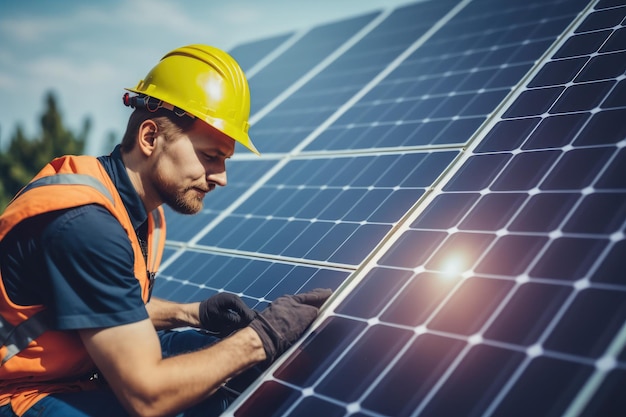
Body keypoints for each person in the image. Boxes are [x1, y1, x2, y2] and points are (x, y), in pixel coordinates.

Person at [0, 44, 332, 417]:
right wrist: (263, 338)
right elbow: (148, 398)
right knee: (209, 388)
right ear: (149, 138)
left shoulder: (143, 213)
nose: (221, 177)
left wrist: (193, 314)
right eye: (210, 156)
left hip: (75, 372)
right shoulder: (86, 224)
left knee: (220, 364)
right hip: (19, 393)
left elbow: (109, 306)